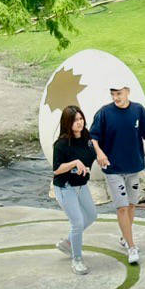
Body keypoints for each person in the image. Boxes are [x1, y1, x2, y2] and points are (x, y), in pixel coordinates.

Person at [90, 81, 145, 265]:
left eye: (119, 93)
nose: (116, 97)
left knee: (132, 205)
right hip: (113, 169)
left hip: (134, 168)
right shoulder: (104, 113)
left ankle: (125, 237)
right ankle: (131, 246)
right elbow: (93, 137)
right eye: (113, 94)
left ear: (127, 92)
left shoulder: (138, 111)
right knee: (122, 207)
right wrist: (99, 153)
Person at [49, 104, 104, 275]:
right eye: (75, 121)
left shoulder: (87, 138)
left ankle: (68, 243)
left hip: (81, 186)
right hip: (65, 188)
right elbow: (57, 169)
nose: (79, 123)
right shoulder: (61, 144)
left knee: (92, 215)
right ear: (67, 123)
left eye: (80, 119)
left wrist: (101, 155)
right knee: (78, 222)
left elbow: (94, 150)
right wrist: (75, 163)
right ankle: (77, 259)